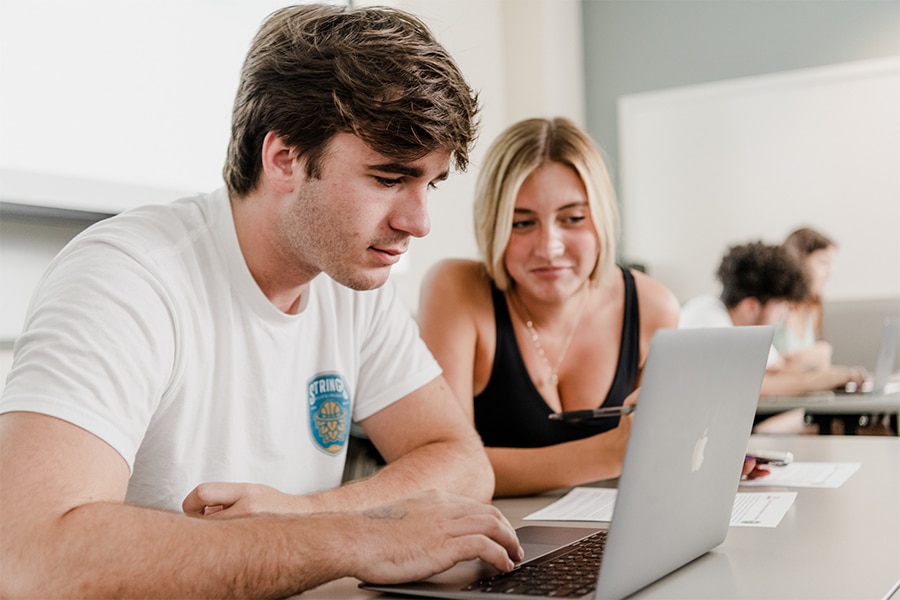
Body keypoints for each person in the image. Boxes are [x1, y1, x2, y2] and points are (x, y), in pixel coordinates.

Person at [0, 5, 523, 598]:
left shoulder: (352, 277)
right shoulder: (126, 276)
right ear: (284, 159)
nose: (418, 222)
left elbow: (460, 460)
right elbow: (31, 555)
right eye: (386, 179)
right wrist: (360, 538)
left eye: (428, 184)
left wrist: (306, 515)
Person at [417, 117, 684, 498]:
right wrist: (614, 454)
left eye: (573, 219)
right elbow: (445, 472)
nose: (549, 247)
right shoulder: (457, 290)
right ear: (493, 225)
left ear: (601, 219)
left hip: (611, 535)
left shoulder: (653, 305)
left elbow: (655, 462)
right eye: (523, 223)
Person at [679, 242, 867, 431]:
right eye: (781, 305)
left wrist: (836, 374)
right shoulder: (707, 320)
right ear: (750, 307)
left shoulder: (744, 328)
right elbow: (749, 387)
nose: (784, 314)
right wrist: (820, 381)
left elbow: (778, 367)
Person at [773, 227, 837, 370]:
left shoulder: (813, 308)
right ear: (800, 261)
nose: (829, 274)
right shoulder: (775, 307)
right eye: (823, 262)